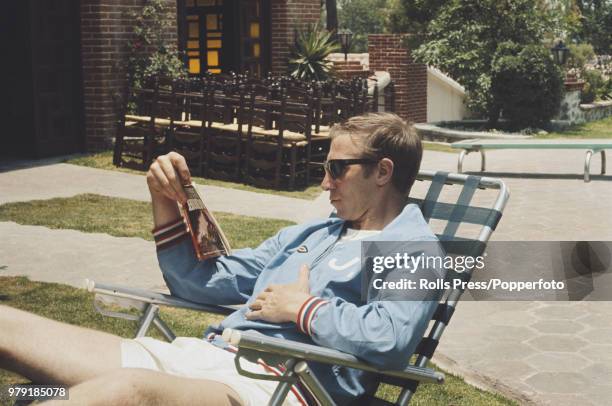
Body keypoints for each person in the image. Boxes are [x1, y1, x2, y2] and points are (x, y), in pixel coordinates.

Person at [0, 112, 443, 406]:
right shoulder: (313, 234)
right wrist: (164, 201)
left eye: (336, 168)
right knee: (16, 342)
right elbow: (198, 283)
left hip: (274, 386)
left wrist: (302, 309)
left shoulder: (413, 250)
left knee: (122, 392)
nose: (325, 182)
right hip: (203, 359)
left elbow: (390, 339)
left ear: (382, 171)